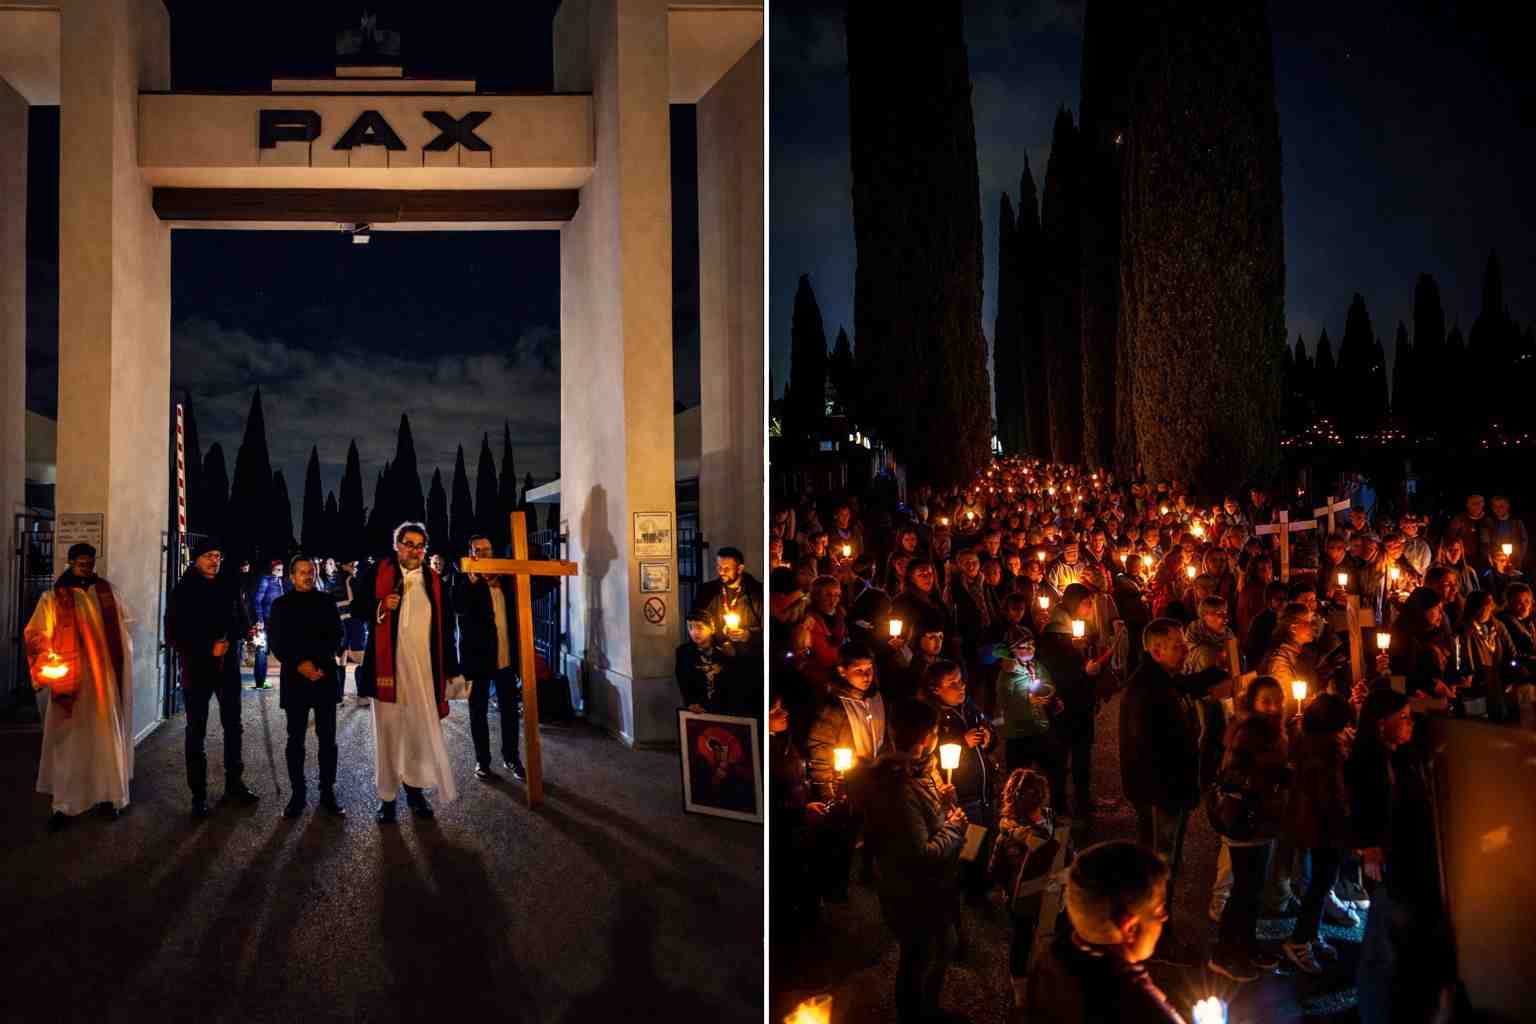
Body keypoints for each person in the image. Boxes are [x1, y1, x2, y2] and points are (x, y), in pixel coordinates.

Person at [1349, 689, 1456, 1024]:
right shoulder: (1369, 762)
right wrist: (1370, 847)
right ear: (1382, 724)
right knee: (1386, 940)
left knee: (1393, 937)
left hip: (1411, 860)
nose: (1410, 723)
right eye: (1403, 718)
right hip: (1394, 865)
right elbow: (1365, 809)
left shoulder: (1401, 755)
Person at [861, 697, 967, 1024]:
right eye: (934, 731)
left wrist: (947, 802)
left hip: (931, 885)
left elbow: (929, 818)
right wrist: (955, 827)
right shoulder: (899, 786)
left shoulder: (920, 772)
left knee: (941, 946)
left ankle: (928, 1009)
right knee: (918, 955)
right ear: (926, 737)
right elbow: (920, 853)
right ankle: (915, 1015)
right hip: (913, 890)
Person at [353, 522, 465, 823]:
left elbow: (446, 628)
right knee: (389, 736)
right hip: (387, 671)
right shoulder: (378, 572)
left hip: (423, 673)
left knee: (416, 735)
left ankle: (415, 793)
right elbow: (357, 608)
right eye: (408, 543)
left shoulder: (434, 582)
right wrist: (380, 604)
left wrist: (451, 670)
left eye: (419, 545)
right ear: (396, 544)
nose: (414, 550)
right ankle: (387, 800)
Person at [1119, 618, 1228, 925]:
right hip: (1160, 796)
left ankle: (1155, 927)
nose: (1185, 650)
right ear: (1156, 650)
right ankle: (1154, 934)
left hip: (1171, 792)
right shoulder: (1145, 691)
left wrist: (1216, 672)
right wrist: (1175, 791)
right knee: (1159, 865)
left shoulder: (1164, 679)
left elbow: (1186, 685)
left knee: (1165, 863)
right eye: (1178, 646)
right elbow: (1147, 753)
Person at [24, 542, 134, 829]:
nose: (85, 565)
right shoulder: (54, 597)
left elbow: (123, 629)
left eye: (89, 561)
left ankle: (108, 795)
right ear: (70, 562)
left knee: (104, 738)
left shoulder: (106, 592)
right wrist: (47, 661)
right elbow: (36, 634)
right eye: (80, 561)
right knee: (68, 742)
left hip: (103, 682)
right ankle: (64, 804)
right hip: (71, 683)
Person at [1026, 840, 1185, 1023]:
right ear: (1130, 928)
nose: (1165, 917)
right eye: (1158, 909)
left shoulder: (1050, 962)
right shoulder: (1140, 1011)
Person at [166, 537, 259, 817]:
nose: (214, 561)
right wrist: (208, 647)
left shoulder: (228, 586)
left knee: (234, 726)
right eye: (208, 556)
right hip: (197, 668)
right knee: (196, 730)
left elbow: (240, 618)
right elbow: (173, 634)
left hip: (227, 667)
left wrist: (246, 631)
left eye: (217, 555)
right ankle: (199, 795)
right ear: (196, 558)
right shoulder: (183, 590)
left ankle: (234, 783)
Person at [454, 533, 556, 782]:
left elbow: (543, 586)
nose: (483, 554)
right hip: (479, 659)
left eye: (487, 550)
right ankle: (483, 761)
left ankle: (511, 758)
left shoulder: (508, 580)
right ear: (471, 554)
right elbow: (456, 606)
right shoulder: (464, 580)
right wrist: (473, 580)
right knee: (478, 711)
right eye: (478, 550)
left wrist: (540, 561)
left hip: (506, 659)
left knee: (509, 712)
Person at [1206, 677, 1289, 981]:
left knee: (1253, 890)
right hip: (1246, 821)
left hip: (1263, 821)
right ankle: (1224, 953)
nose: (1273, 706)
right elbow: (1234, 775)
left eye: (1277, 700)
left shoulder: (1274, 730)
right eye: (1266, 700)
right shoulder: (1250, 733)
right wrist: (1275, 778)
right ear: (1252, 702)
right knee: (1243, 890)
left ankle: (1248, 944)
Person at [1280, 692, 1355, 974]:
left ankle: (1310, 934)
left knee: (1319, 883)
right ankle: (1299, 940)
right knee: (1321, 883)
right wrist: (1346, 826)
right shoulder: (1329, 751)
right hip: (1324, 828)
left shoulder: (1306, 741)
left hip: (1310, 824)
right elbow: (1332, 798)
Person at [267, 554, 345, 818]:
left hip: (323, 675)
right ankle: (297, 794)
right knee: (295, 739)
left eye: (310, 571)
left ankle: (327, 792)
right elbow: (277, 640)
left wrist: (317, 664)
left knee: (328, 739)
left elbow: (337, 635)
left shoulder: (326, 602)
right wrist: (300, 663)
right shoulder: (281, 605)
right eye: (302, 572)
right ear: (292, 576)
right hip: (295, 679)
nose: (307, 575)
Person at [990, 768, 1059, 1019]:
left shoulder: (1009, 835)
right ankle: (1033, 985)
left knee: (1027, 940)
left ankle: (1026, 986)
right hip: (1039, 898)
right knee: (1035, 939)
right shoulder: (1049, 827)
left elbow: (995, 870)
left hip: (1032, 899)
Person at [250, 558, 286, 689]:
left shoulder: (279, 581)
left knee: (271, 650)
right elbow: (257, 600)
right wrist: (260, 620)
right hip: (265, 621)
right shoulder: (266, 580)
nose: (281, 572)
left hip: (276, 621)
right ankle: (260, 682)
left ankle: (263, 681)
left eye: (282, 569)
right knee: (261, 650)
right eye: (278, 569)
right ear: (272, 569)